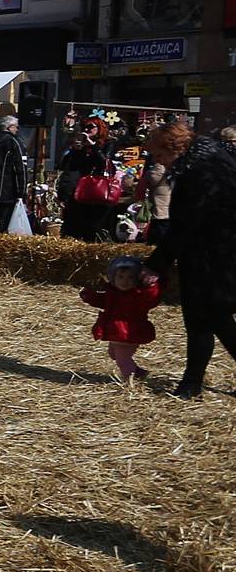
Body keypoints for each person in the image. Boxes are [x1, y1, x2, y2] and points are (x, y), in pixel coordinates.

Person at [145, 120, 236, 400]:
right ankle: (191, 383)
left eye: (160, 155)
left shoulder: (199, 169)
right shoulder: (209, 155)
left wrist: (156, 264)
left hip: (215, 251)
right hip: (215, 248)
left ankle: (191, 384)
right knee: (205, 317)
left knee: (212, 315)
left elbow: (187, 222)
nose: (159, 162)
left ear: (174, 148)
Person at [81, 256, 162, 384]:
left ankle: (129, 382)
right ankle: (139, 373)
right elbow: (103, 301)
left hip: (129, 332)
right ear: (113, 278)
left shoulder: (138, 296)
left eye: (130, 277)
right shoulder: (113, 293)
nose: (125, 281)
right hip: (115, 330)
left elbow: (151, 298)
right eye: (121, 277)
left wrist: (152, 286)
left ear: (137, 279)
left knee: (122, 359)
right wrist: (90, 296)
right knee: (113, 354)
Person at [58, 115, 119, 243]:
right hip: (79, 191)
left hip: (96, 190)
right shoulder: (80, 146)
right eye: (84, 127)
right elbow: (66, 166)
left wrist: (93, 145)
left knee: (92, 229)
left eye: (91, 127)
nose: (87, 130)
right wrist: (75, 149)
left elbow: (104, 163)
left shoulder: (108, 143)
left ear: (99, 128)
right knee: (72, 228)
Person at [0, 111, 30, 235]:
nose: (17, 130)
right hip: (8, 192)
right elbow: (20, 169)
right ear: (9, 127)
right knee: (4, 227)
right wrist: (22, 192)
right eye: (16, 127)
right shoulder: (14, 142)